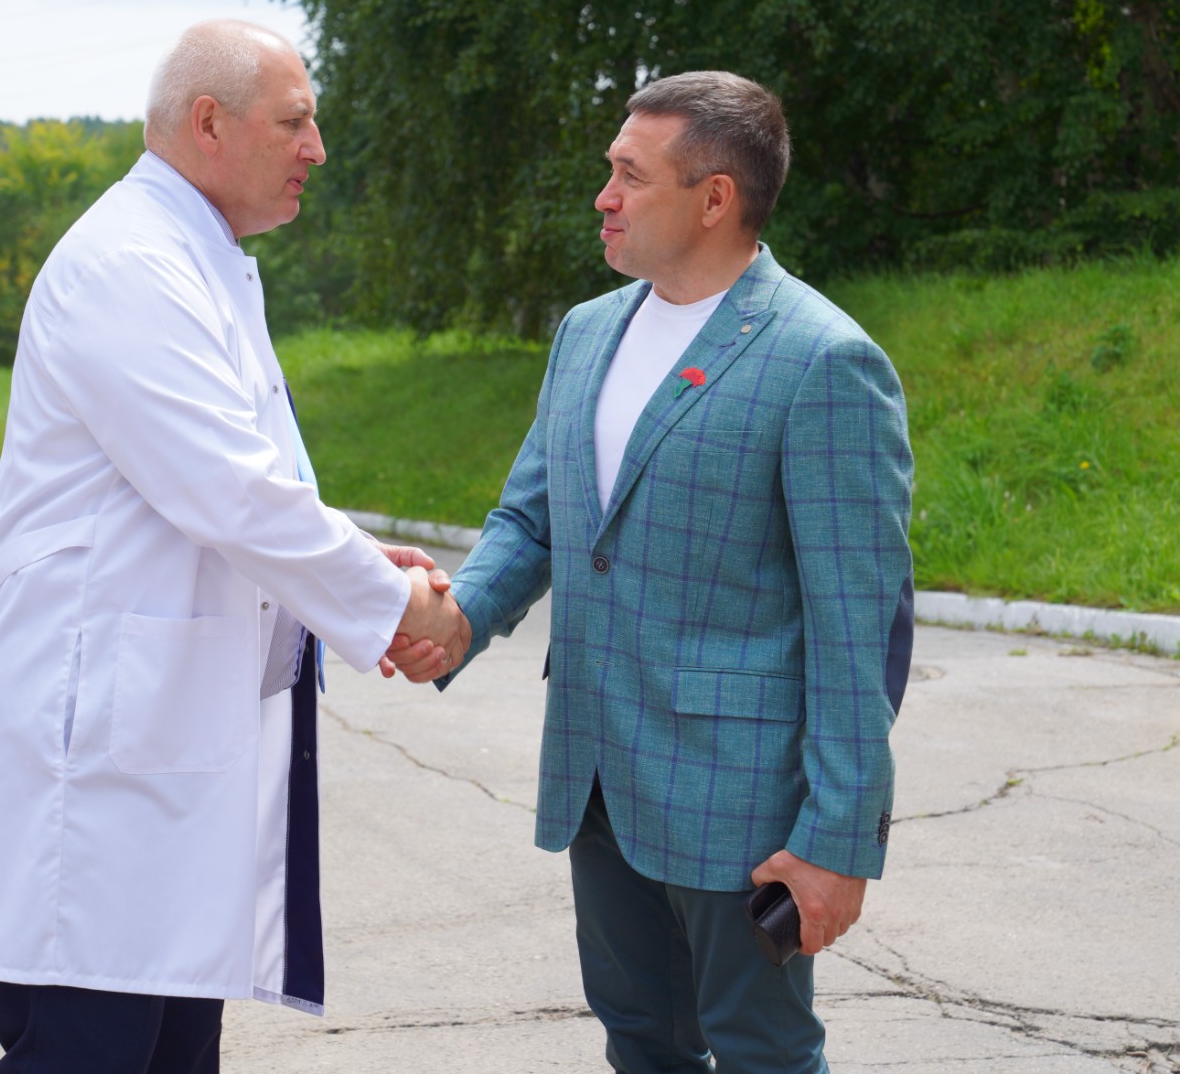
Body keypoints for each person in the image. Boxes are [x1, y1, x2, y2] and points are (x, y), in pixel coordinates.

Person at [0, 20, 468, 1074]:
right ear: (210, 123)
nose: (318, 148)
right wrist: (397, 610)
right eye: (296, 122)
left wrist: (368, 561)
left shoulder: (197, 256)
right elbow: (231, 490)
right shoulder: (130, 263)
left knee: (171, 1055)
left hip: (165, 759)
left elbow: (248, 476)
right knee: (87, 1055)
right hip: (102, 761)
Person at [390, 72, 913, 1073]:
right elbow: (533, 518)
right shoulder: (588, 331)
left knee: (763, 1052)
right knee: (639, 1043)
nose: (605, 196)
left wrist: (838, 839)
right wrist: (457, 624)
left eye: (630, 175)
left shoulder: (822, 361)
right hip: (598, 776)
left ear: (714, 198)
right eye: (609, 171)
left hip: (742, 801)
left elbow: (859, 630)